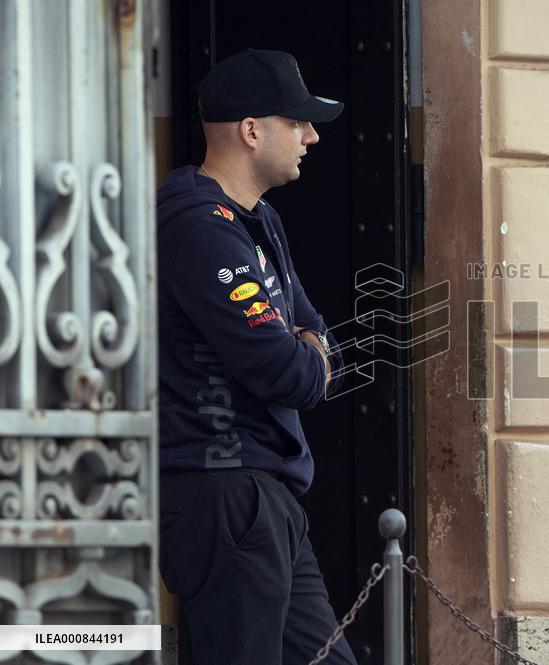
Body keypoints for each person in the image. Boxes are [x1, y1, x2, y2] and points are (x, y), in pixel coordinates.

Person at [156, 49, 355, 664]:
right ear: (251, 131)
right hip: (224, 492)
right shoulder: (200, 226)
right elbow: (287, 371)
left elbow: (319, 337)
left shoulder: (258, 219)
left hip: (267, 495)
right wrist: (305, 351)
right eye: (297, 121)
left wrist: (308, 348)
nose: (311, 136)